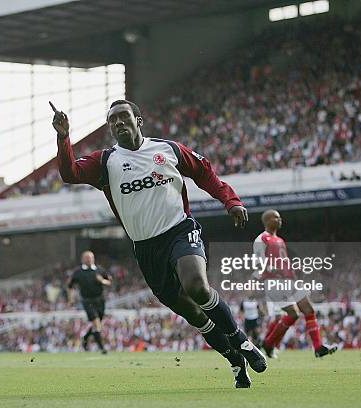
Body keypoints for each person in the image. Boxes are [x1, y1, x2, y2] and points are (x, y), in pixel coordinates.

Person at [52, 99, 266, 388]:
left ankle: (241, 341)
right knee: (193, 314)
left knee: (196, 287)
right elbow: (70, 174)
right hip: (146, 248)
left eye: (123, 117)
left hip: (179, 230)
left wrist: (231, 201)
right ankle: (235, 362)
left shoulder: (167, 150)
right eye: (112, 120)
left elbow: (205, 173)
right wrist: (64, 137)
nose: (118, 123)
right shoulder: (106, 162)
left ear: (138, 120)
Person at [253, 209, 337, 358]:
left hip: (290, 281)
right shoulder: (262, 239)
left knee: (308, 309)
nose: (280, 220)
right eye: (276, 218)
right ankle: (268, 342)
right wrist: (275, 270)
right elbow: (259, 263)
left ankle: (318, 347)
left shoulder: (280, 240)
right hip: (273, 282)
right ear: (267, 221)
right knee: (293, 314)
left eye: (280, 218)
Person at [68, 251, 111, 354]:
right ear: (82, 259)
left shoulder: (100, 270)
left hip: (100, 300)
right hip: (87, 300)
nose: (89, 259)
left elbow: (109, 282)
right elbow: (70, 286)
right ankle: (102, 348)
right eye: (87, 258)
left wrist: (102, 281)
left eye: (91, 258)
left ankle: (85, 338)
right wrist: (71, 299)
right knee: (96, 322)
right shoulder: (78, 272)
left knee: (98, 323)